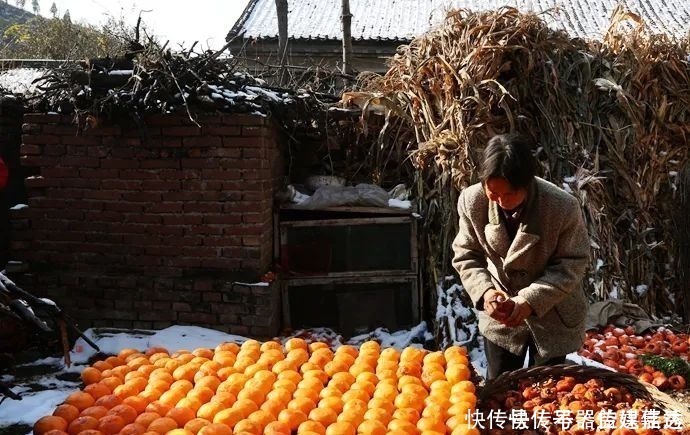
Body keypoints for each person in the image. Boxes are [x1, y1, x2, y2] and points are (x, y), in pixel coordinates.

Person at [451, 134, 589, 380]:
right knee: (500, 391)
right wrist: (485, 293)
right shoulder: (472, 201)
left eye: (509, 194)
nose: (501, 201)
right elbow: (466, 254)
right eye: (494, 193)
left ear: (527, 183)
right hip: (500, 316)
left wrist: (529, 301)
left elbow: (571, 264)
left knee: (549, 393)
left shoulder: (561, 207)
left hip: (553, 313)